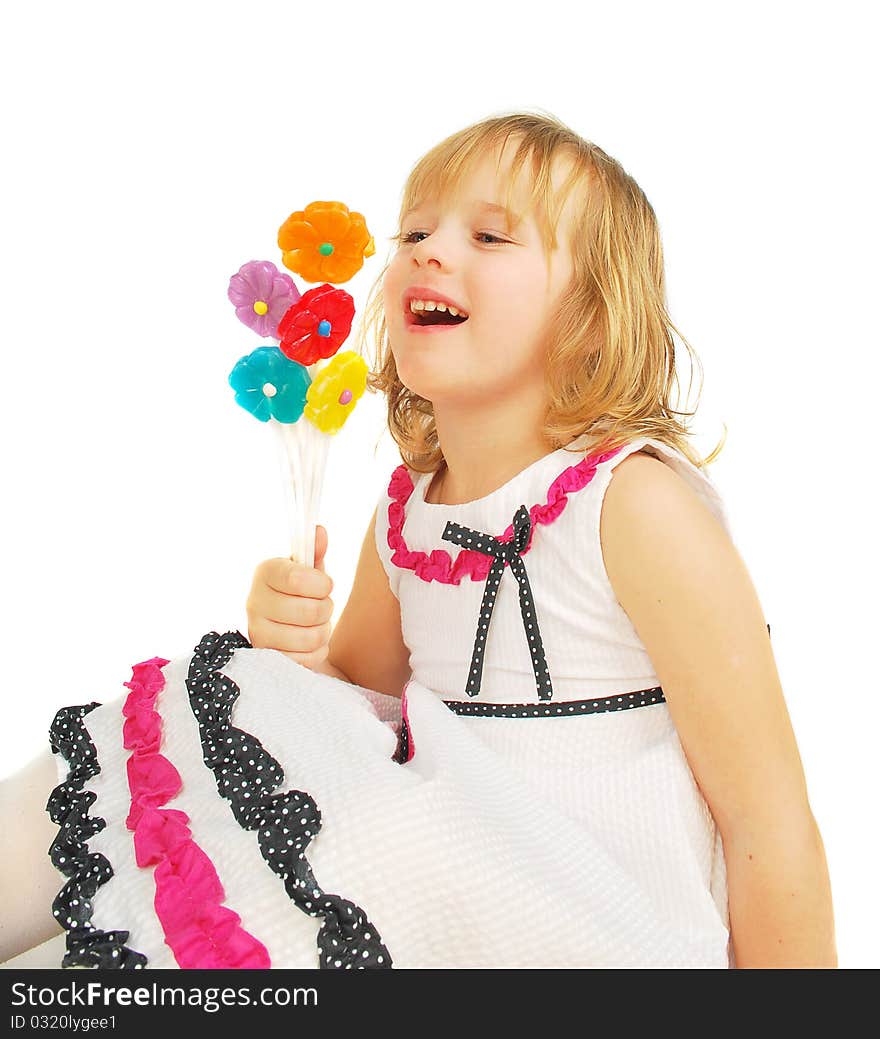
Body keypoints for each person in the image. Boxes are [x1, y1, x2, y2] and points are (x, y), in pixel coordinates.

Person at [0, 111, 836, 970]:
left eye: (490, 235)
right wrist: (289, 645)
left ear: (589, 316)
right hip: (433, 869)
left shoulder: (633, 504)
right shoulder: (410, 508)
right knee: (225, 725)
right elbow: (351, 709)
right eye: (417, 230)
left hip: (578, 918)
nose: (431, 251)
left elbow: (768, 824)